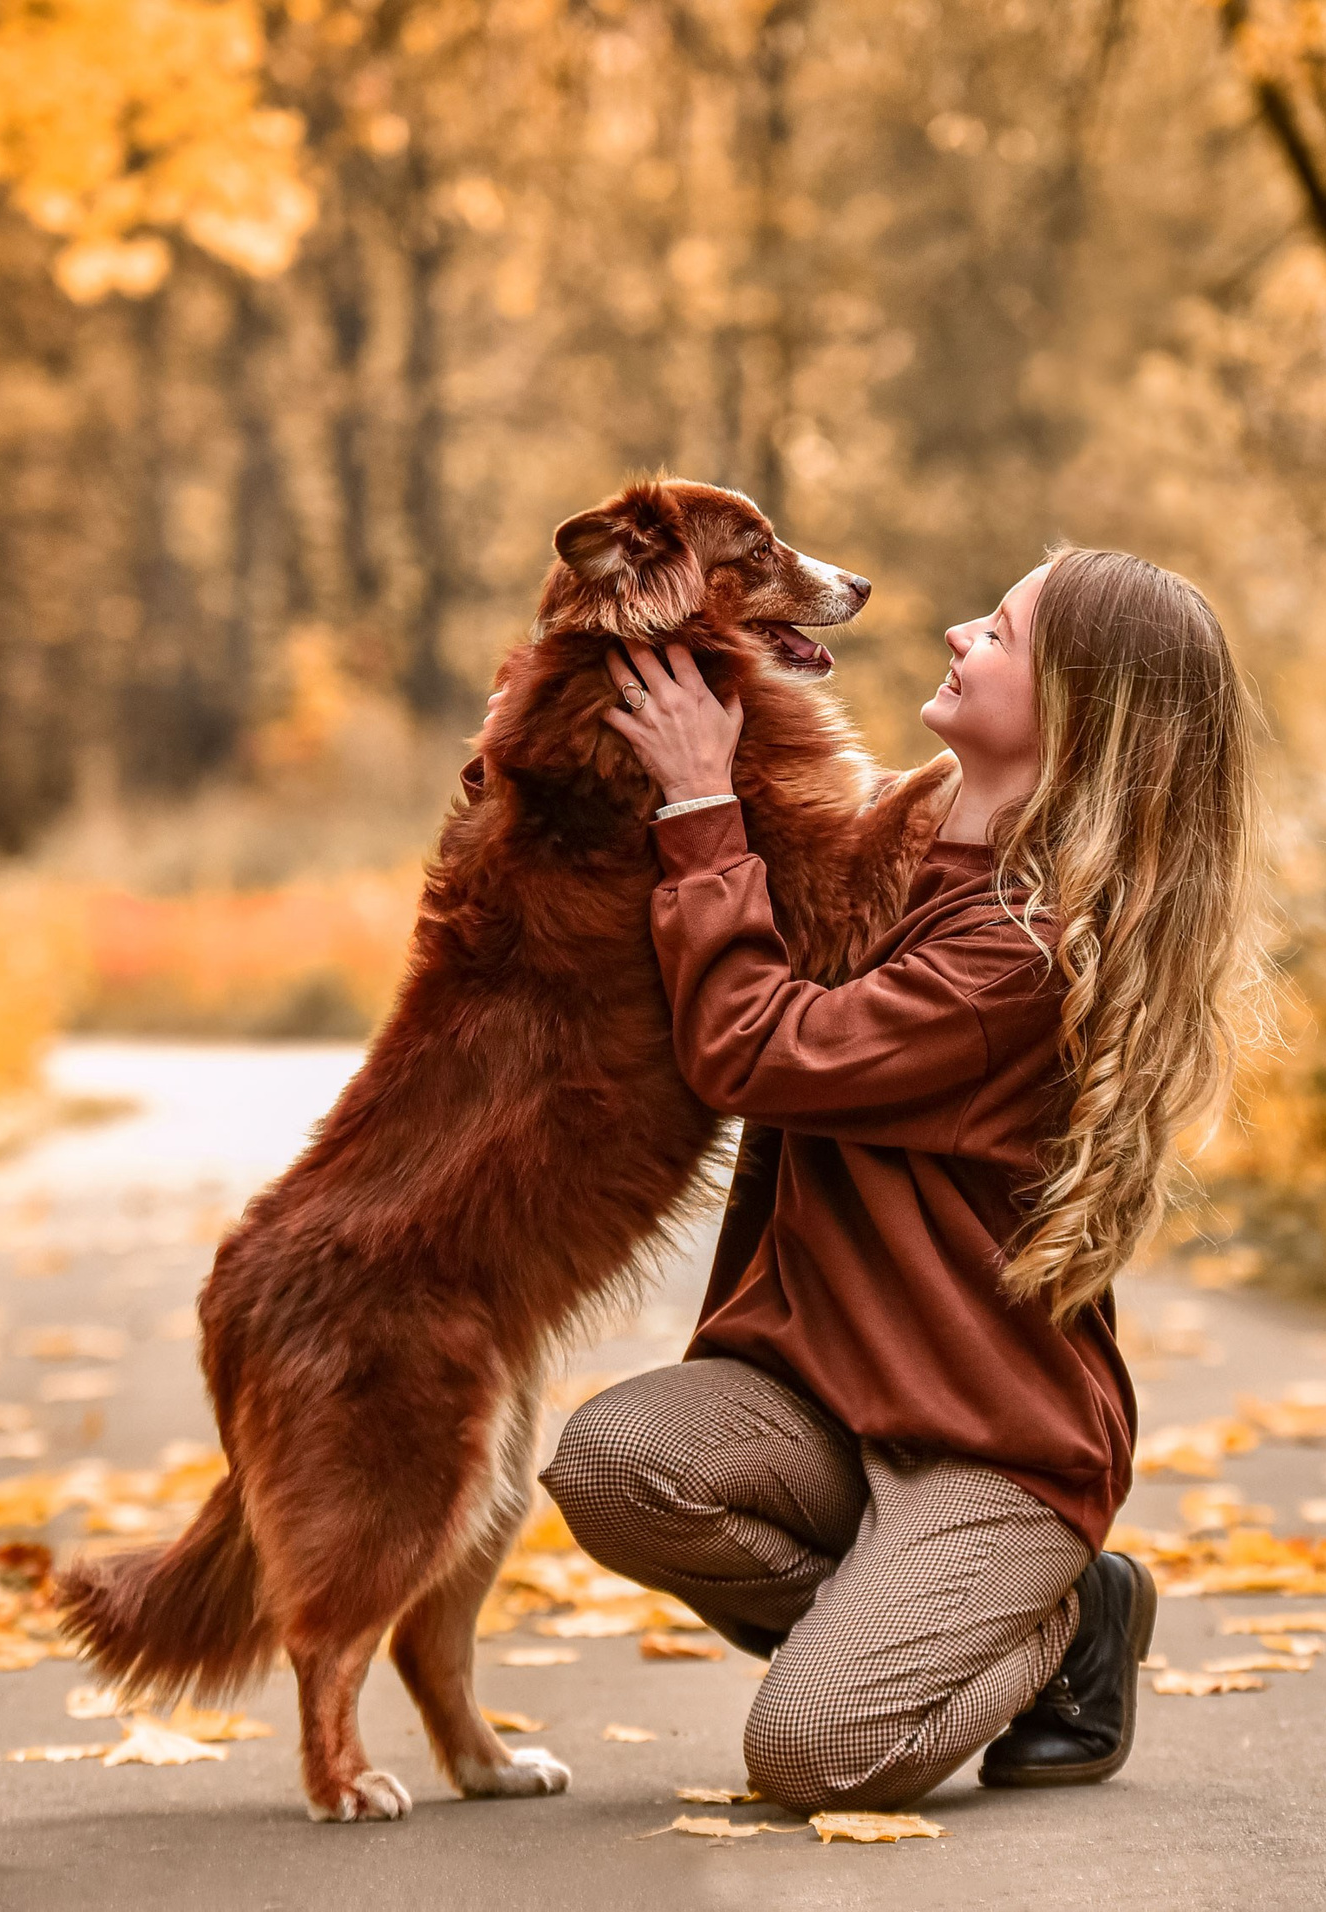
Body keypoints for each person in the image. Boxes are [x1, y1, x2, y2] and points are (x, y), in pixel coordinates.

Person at [540, 547, 1264, 1812]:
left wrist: (703, 799)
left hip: (988, 1439)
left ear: (1080, 709)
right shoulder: (896, 838)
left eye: (1001, 633)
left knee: (815, 1756)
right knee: (614, 1462)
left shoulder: (1019, 953)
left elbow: (754, 1048)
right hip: (822, 1404)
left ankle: (1059, 1622)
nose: (953, 631)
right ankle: (911, 1617)